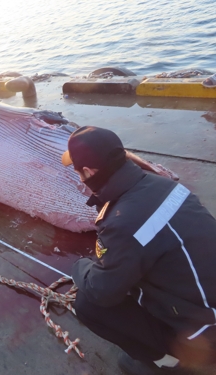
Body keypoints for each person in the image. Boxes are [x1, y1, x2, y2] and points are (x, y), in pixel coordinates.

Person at [60, 126, 216, 375]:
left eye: (78, 171)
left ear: (88, 172)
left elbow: (102, 292)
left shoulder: (124, 221)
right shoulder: (160, 184)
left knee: (88, 304)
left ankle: (168, 362)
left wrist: (81, 266)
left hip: (207, 335)